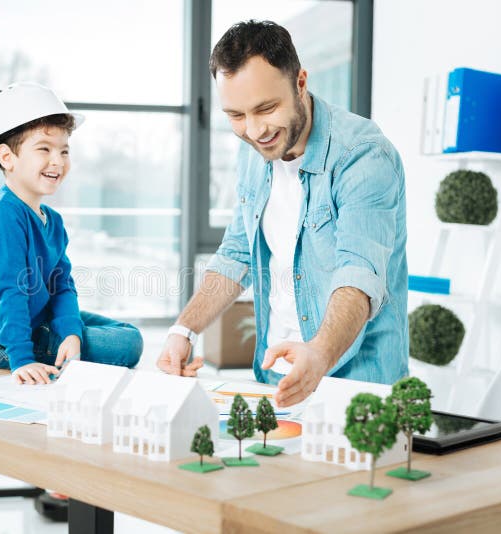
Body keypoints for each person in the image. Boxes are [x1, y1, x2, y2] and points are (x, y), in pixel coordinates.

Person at [157, 20, 408, 407]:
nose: (255, 130)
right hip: (275, 379)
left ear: (301, 83)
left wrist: (320, 353)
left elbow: (359, 273)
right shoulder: (254, 154)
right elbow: (237, 252)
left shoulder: (363, 156)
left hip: (355, 384)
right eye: (236, 116)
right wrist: (183, 330)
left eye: (266, 108)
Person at [0, 82, 143, 385]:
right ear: (7, 157)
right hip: (6, 343)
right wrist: (21, 359)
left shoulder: (53, 222)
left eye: (64, 150)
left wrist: (70, 332)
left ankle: (67, 342)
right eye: (44, 149)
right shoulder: (5, 216)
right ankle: (53, 350)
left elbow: (62, 286)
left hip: (39, 323)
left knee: (129, 335)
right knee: (125, 347)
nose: (57, 161)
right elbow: (12, 291)